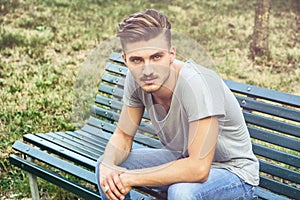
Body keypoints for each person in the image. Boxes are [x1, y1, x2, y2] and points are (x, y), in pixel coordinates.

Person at [96, 9, 259, 200]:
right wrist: (109, 166)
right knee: (106, 168)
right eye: (137, 60)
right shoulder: (135, 79)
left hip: (233, 173)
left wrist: (131, 178)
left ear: (171, 54)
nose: (147, 70)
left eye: (156, 57)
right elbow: (123, 135)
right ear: (125, 59)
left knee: (181, 192)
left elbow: (198, 169)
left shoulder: (199, 83)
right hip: (184, 159)